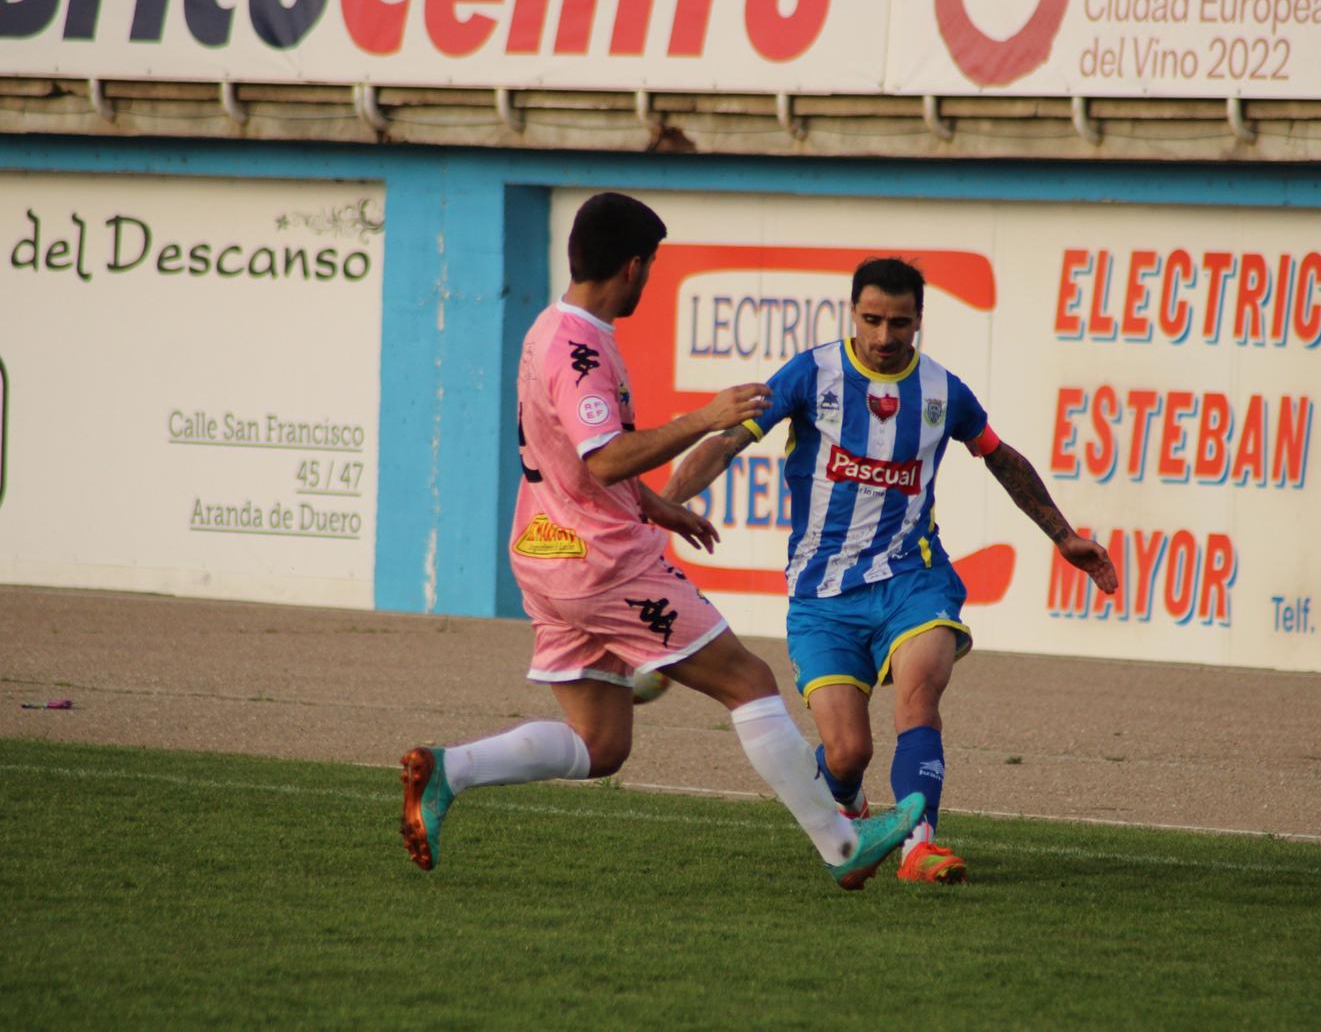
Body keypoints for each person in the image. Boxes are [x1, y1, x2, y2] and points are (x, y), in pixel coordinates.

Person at [400, 195, 924, 890]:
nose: (649, 279)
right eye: (652, 267)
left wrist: (656, 505)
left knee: (602, 744)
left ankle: (447, 772)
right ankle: (842, 844)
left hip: (545, 552)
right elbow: (604, 459)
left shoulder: (547, 329)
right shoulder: (581, 350)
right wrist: (705, 418)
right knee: (750, 683)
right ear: (633, 266)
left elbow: (567, 462)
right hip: (603, 564)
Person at [663, 257, 1118, 884]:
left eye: (899, 323)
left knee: (920, 695)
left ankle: (919, 847)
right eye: (872, 319)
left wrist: (1063, 535)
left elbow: (1000, 456)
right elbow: (729, 442)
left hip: (914, 576)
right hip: (823, 595)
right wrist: (664, 502)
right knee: (849, 753)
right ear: (852, 312)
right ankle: (848, 811)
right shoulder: (811, 374)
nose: (884, 337)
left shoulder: (942, 392)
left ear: (919, 321)